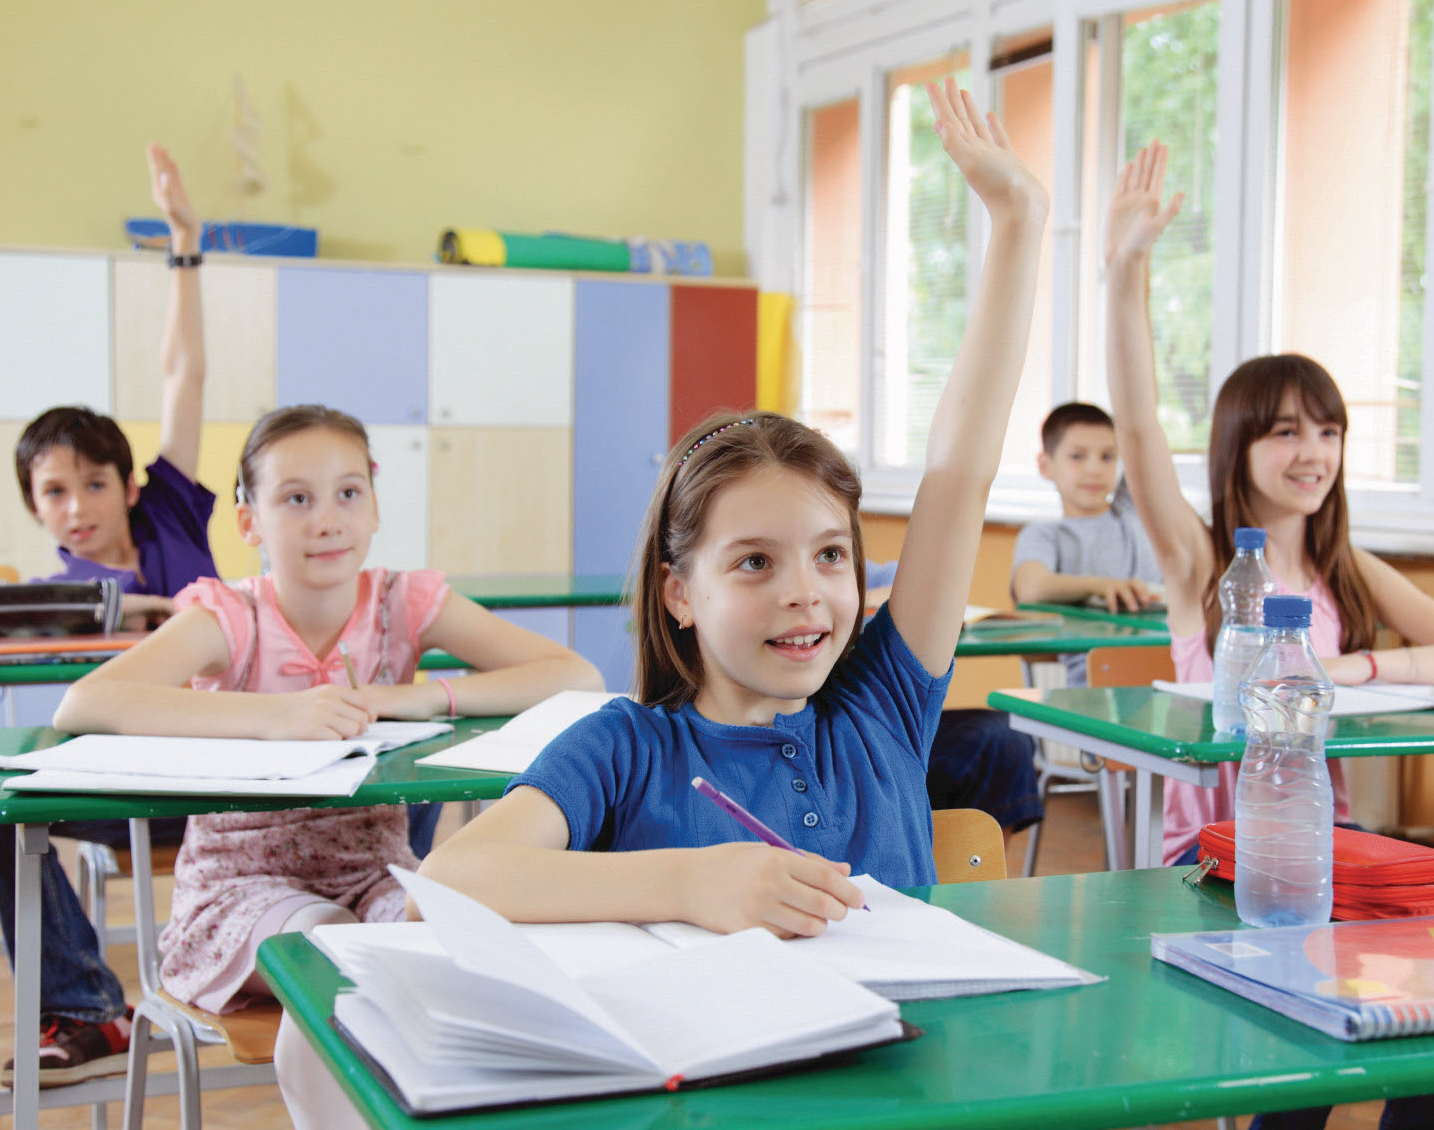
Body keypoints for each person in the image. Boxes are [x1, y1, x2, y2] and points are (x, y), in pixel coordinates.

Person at [272, 77, 1047, 1124]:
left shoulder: (880, 708)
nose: (804, 592)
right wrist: (691, 883)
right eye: (754, 563)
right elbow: (458, 873)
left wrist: (1018, 224)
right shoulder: (624, 747)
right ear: (678, 590)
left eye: (828, 555)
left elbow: (959, 468)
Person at [1103, 138, 1434, 1130]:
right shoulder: (1201, 557)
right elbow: (1137, 433)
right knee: (1302, 1041)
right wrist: (1125, 274)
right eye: (1285, 430)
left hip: (1327, 848)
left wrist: (1353, 662)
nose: (1312, 452)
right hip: (1215, 858)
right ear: (1238, 445)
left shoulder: (1343, 564)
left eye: (1326, 430)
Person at [53, 404, 604, 1018]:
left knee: (465, 951)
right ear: (248, 520)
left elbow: (574, 675)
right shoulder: (231, 617)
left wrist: (420, 696)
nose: (327, 521)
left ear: (373, 509)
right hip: (239, 894)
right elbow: (87, 702)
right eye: (295, 499)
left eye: (348, 493)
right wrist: (275, 717)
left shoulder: (402, 603)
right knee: (346, 953)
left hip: (377, 879)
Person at [0, 142, 219, 1088]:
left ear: (126, 482)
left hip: (238, 762)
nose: (77, 506)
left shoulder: (173, 513)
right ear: (36, 507)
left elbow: (183, 376)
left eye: (93, 482)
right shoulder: (54, 597)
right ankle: (87, 1006)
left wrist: (185, 248)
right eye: (53, 492)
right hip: (134, 781)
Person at [867, 558, 1043, 869]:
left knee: (1002, 738)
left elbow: (914, 576)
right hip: (830, 732)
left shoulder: (853, 565)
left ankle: (983, 885)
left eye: (831, 556)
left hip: (891, 725)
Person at [1010, 401, 1163, 687]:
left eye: (1108, 457)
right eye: (1077, 456)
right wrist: (1100, 586)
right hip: (1095, 688)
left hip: (1172, 677)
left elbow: (1141, 424)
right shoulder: (1045, 535)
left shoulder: (1134, 509)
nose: (1094, 469)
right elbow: (1030, 587)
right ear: (1045, 465)